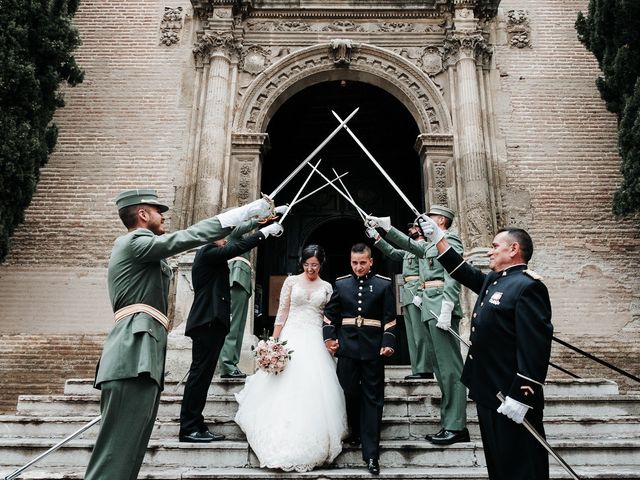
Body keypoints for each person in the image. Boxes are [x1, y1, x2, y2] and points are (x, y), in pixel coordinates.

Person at [84, 188, 275, 480]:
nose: (164, 216)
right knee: (117, 449)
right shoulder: (135, 241)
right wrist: (234, 216)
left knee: (130, 447)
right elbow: (187, 238)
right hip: (133, 351)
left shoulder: (146, 250)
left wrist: (252, 224)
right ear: (143, 215)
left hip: (144, 352)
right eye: (159, 211)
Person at [418, 216, 553, 480]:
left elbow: (535, 347)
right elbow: (463, 272)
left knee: (523, 465)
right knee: (500, 464)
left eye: (494, 246)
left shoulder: (528, 287)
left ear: (513, 250)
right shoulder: (494, 280)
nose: (489, 251)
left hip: (511, 396)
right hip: (488, 390)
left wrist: (522, 396)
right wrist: (439, 240)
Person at [235, 245, 347, 472]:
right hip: (292, 334)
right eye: (307, 265)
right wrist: (274, 342)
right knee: (284, 382)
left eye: (314, 265)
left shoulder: (326, 287)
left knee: (315, 385)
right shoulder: (291, 282)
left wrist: (331, 340)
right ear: (302, 263)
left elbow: (329, 317)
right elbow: (283, 312)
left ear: (321, 264)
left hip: (315, 337)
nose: (310, 269)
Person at [367, 205, 468, 445]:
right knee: (441, 370)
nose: (425, 221)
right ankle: (450, 422)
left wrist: (447, 306)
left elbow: (453, 274)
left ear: (441, 221)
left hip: (441, 308)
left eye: (430, 217)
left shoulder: (449, 240)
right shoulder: (430, 245)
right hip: (428, 307)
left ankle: (456, 426)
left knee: (450, 369)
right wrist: (385, 228)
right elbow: (409, 247)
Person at [179, 218, 284, 442]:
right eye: (221, 234)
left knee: (204, 377)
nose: (225, 238)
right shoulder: (207, 251)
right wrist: (264, 232)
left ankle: (196, 424)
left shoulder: (211, 254)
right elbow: (238, 246)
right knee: (199, 377)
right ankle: (189, 427)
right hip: (206, 323)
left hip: (211, 324)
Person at [323, 243, 397, 476]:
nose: (358, 267)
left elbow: (390, 318)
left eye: (362, 263)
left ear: (371, 261)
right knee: (348, 394)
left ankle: (372, 454)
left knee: (373, 401)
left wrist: (388, 343)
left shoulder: (384, 284)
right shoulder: (341, 283)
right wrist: (330, 338)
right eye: (355, 263)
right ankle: (354, 432)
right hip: (347, 349)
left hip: (373, 349)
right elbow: (329, 316)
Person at [367, 221, 434, 380]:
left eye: (413, 227)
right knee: (412, 335)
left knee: (420, 334)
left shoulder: (425, 247)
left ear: (420, 230)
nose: (410, 230)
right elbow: (392, 252)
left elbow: (425, 272)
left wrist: (420, 292)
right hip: (408, 293)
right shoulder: (410, 250)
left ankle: (425, 368)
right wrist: (377, 237)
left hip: (417, 292)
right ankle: (417, 368)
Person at [218, 222, 259, 379]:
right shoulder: (232, 233)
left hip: (241, 281)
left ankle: (231, 364)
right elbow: (244, 228)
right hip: (236, 279)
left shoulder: (238, 238)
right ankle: (227, 364)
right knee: (233, 325)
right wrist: (262, 215)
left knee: (238, 326)